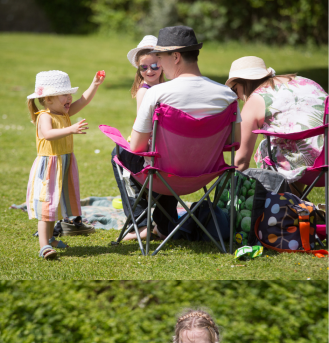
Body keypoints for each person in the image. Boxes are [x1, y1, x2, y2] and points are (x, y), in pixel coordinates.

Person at [128, 26, 241, 239]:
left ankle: (141, 223)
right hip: (205, 175)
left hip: (164, 175)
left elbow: (136, 147)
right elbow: (234, 141)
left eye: (160, 57)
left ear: (176, 56)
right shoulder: (227, 95)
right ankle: (164, 225)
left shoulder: (158, 94)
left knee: (121, 152)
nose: (158, 63)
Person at [26, 69, 105, 259]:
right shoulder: (45, 115)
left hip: (63, 164)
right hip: (49, 168)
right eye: (64, 95)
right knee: (47, 207)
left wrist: (94, 84)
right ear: (48, 99)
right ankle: (44, 245)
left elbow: (84, 100)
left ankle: (51, 239)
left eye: (70, 94)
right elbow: (47, 134)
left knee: (56, 205)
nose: (69, 98)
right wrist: (71, 129)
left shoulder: (64, 112)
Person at [226, 56, 328, 193]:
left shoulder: (256, 100)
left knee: (265, 148)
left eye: (234, 89)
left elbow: (240, 161)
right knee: (293, 141)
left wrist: (230, 196)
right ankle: (296, 203)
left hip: (307, 167)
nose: (236, 97)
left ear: (244, 83)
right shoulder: (306, 81)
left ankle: (284, 203)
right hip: (325, 159)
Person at [111, 36, 165, 241]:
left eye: (154, 66)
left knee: (118, 156)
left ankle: (140, 224)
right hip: (166, 151)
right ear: (138, 70)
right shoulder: (158, 89)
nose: (149, 71)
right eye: (144, 68)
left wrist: (133, 139)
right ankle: (163, 224)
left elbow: (145, 128)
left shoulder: (150, 91)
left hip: (151, 152)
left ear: (163, 65)